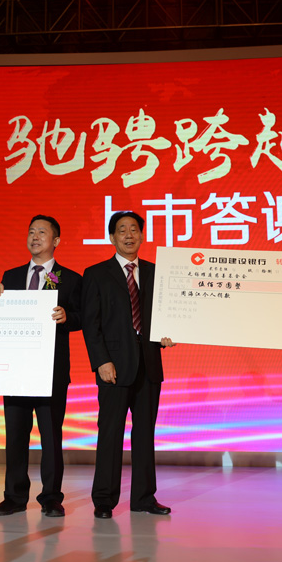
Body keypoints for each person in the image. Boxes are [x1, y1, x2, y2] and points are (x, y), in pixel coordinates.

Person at [82, 210, 175, 519]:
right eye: (122, 230)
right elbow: (91, 325)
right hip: (113, 367)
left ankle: (144, 498)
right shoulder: (96, 274)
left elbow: (168, 314)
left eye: (134, 229)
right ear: (112, 237)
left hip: (149, 365)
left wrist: (170, 333)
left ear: (142, 235)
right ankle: (104, 500)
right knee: (110, 433)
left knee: (145, 434)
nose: (129, 235)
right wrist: (101, 362)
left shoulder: (156, 273)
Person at [0, 215, 82, 518]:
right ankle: (14, 497)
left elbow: (84, 317)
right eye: (31, 232)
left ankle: (51, 497)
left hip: (51, 371)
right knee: (15, 435)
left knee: (51, 436)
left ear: (56, 241)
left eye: (42, 232)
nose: (35, 237)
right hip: (16, 370)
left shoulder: (71, 278)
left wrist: (67, 317)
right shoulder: (11, 276)